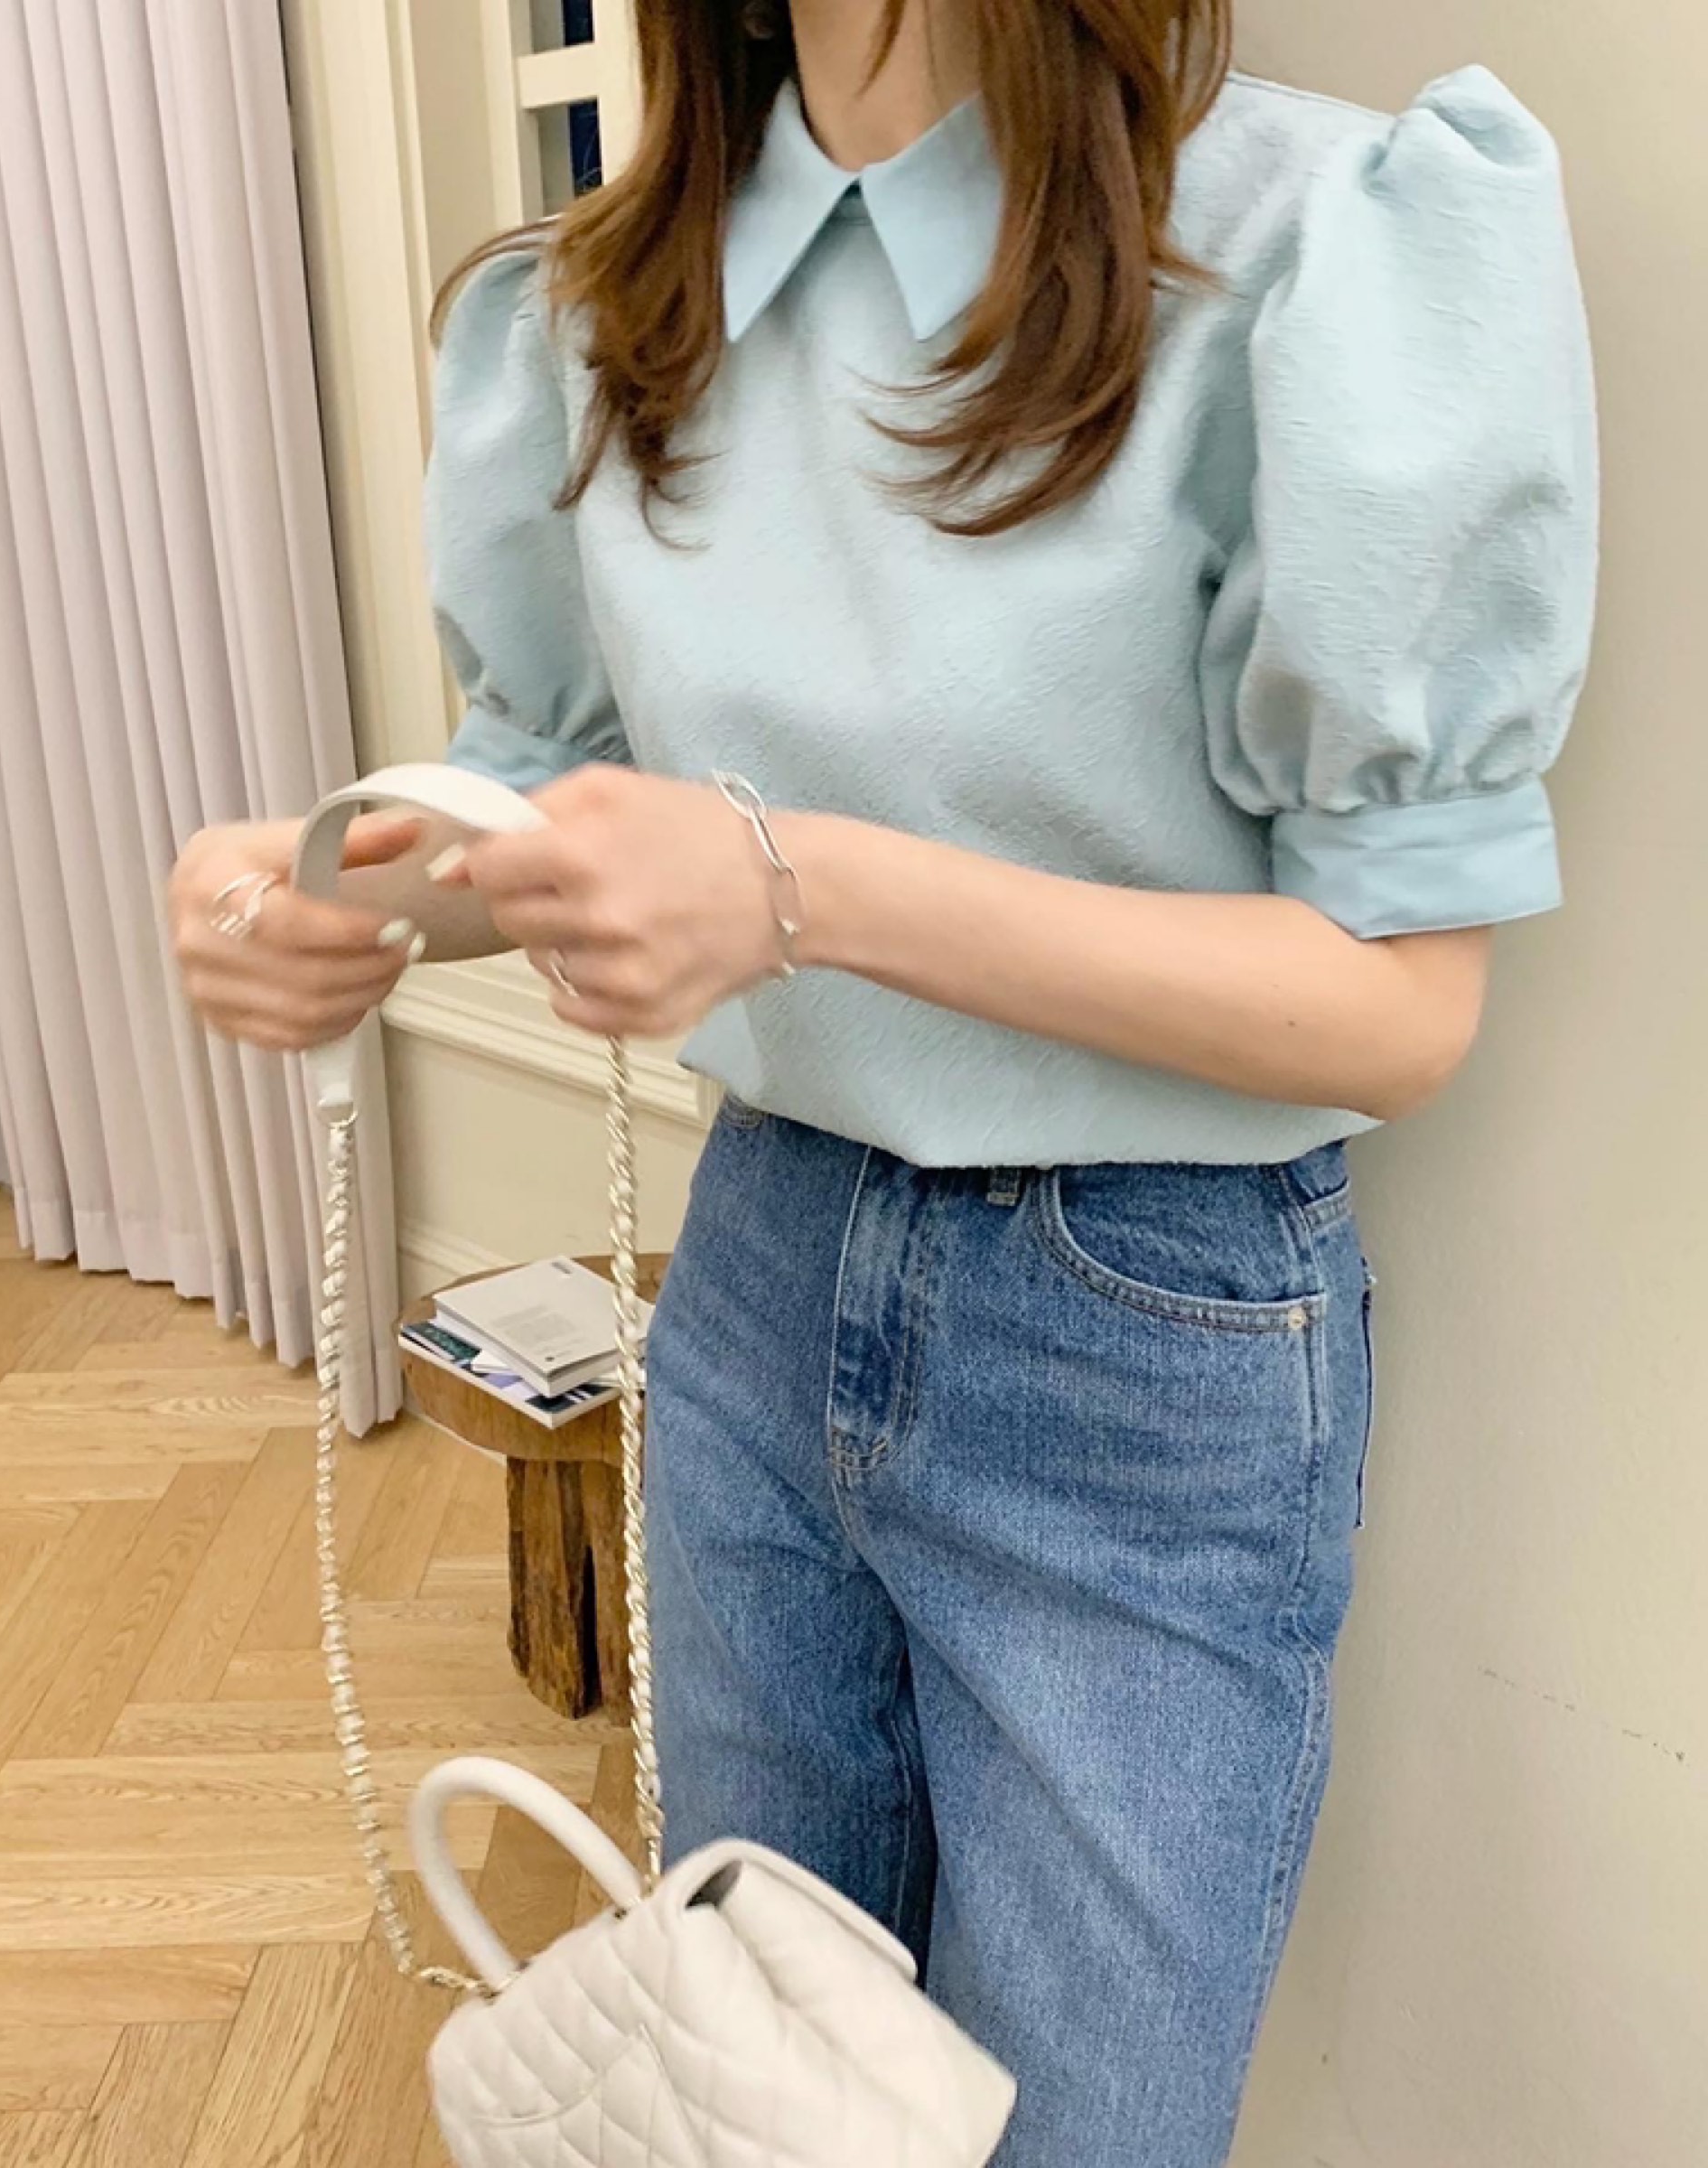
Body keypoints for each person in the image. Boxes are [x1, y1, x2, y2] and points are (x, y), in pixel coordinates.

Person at [171, 3, 1599, 2159]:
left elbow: (1392, 1007)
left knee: (1079, 2133)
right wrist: (323, 891)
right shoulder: (607, 302)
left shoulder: (1317, 243)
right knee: (751, 2096)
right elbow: (561, 818)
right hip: (761, 1260)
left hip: (1146, 1328)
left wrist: (795, 888)